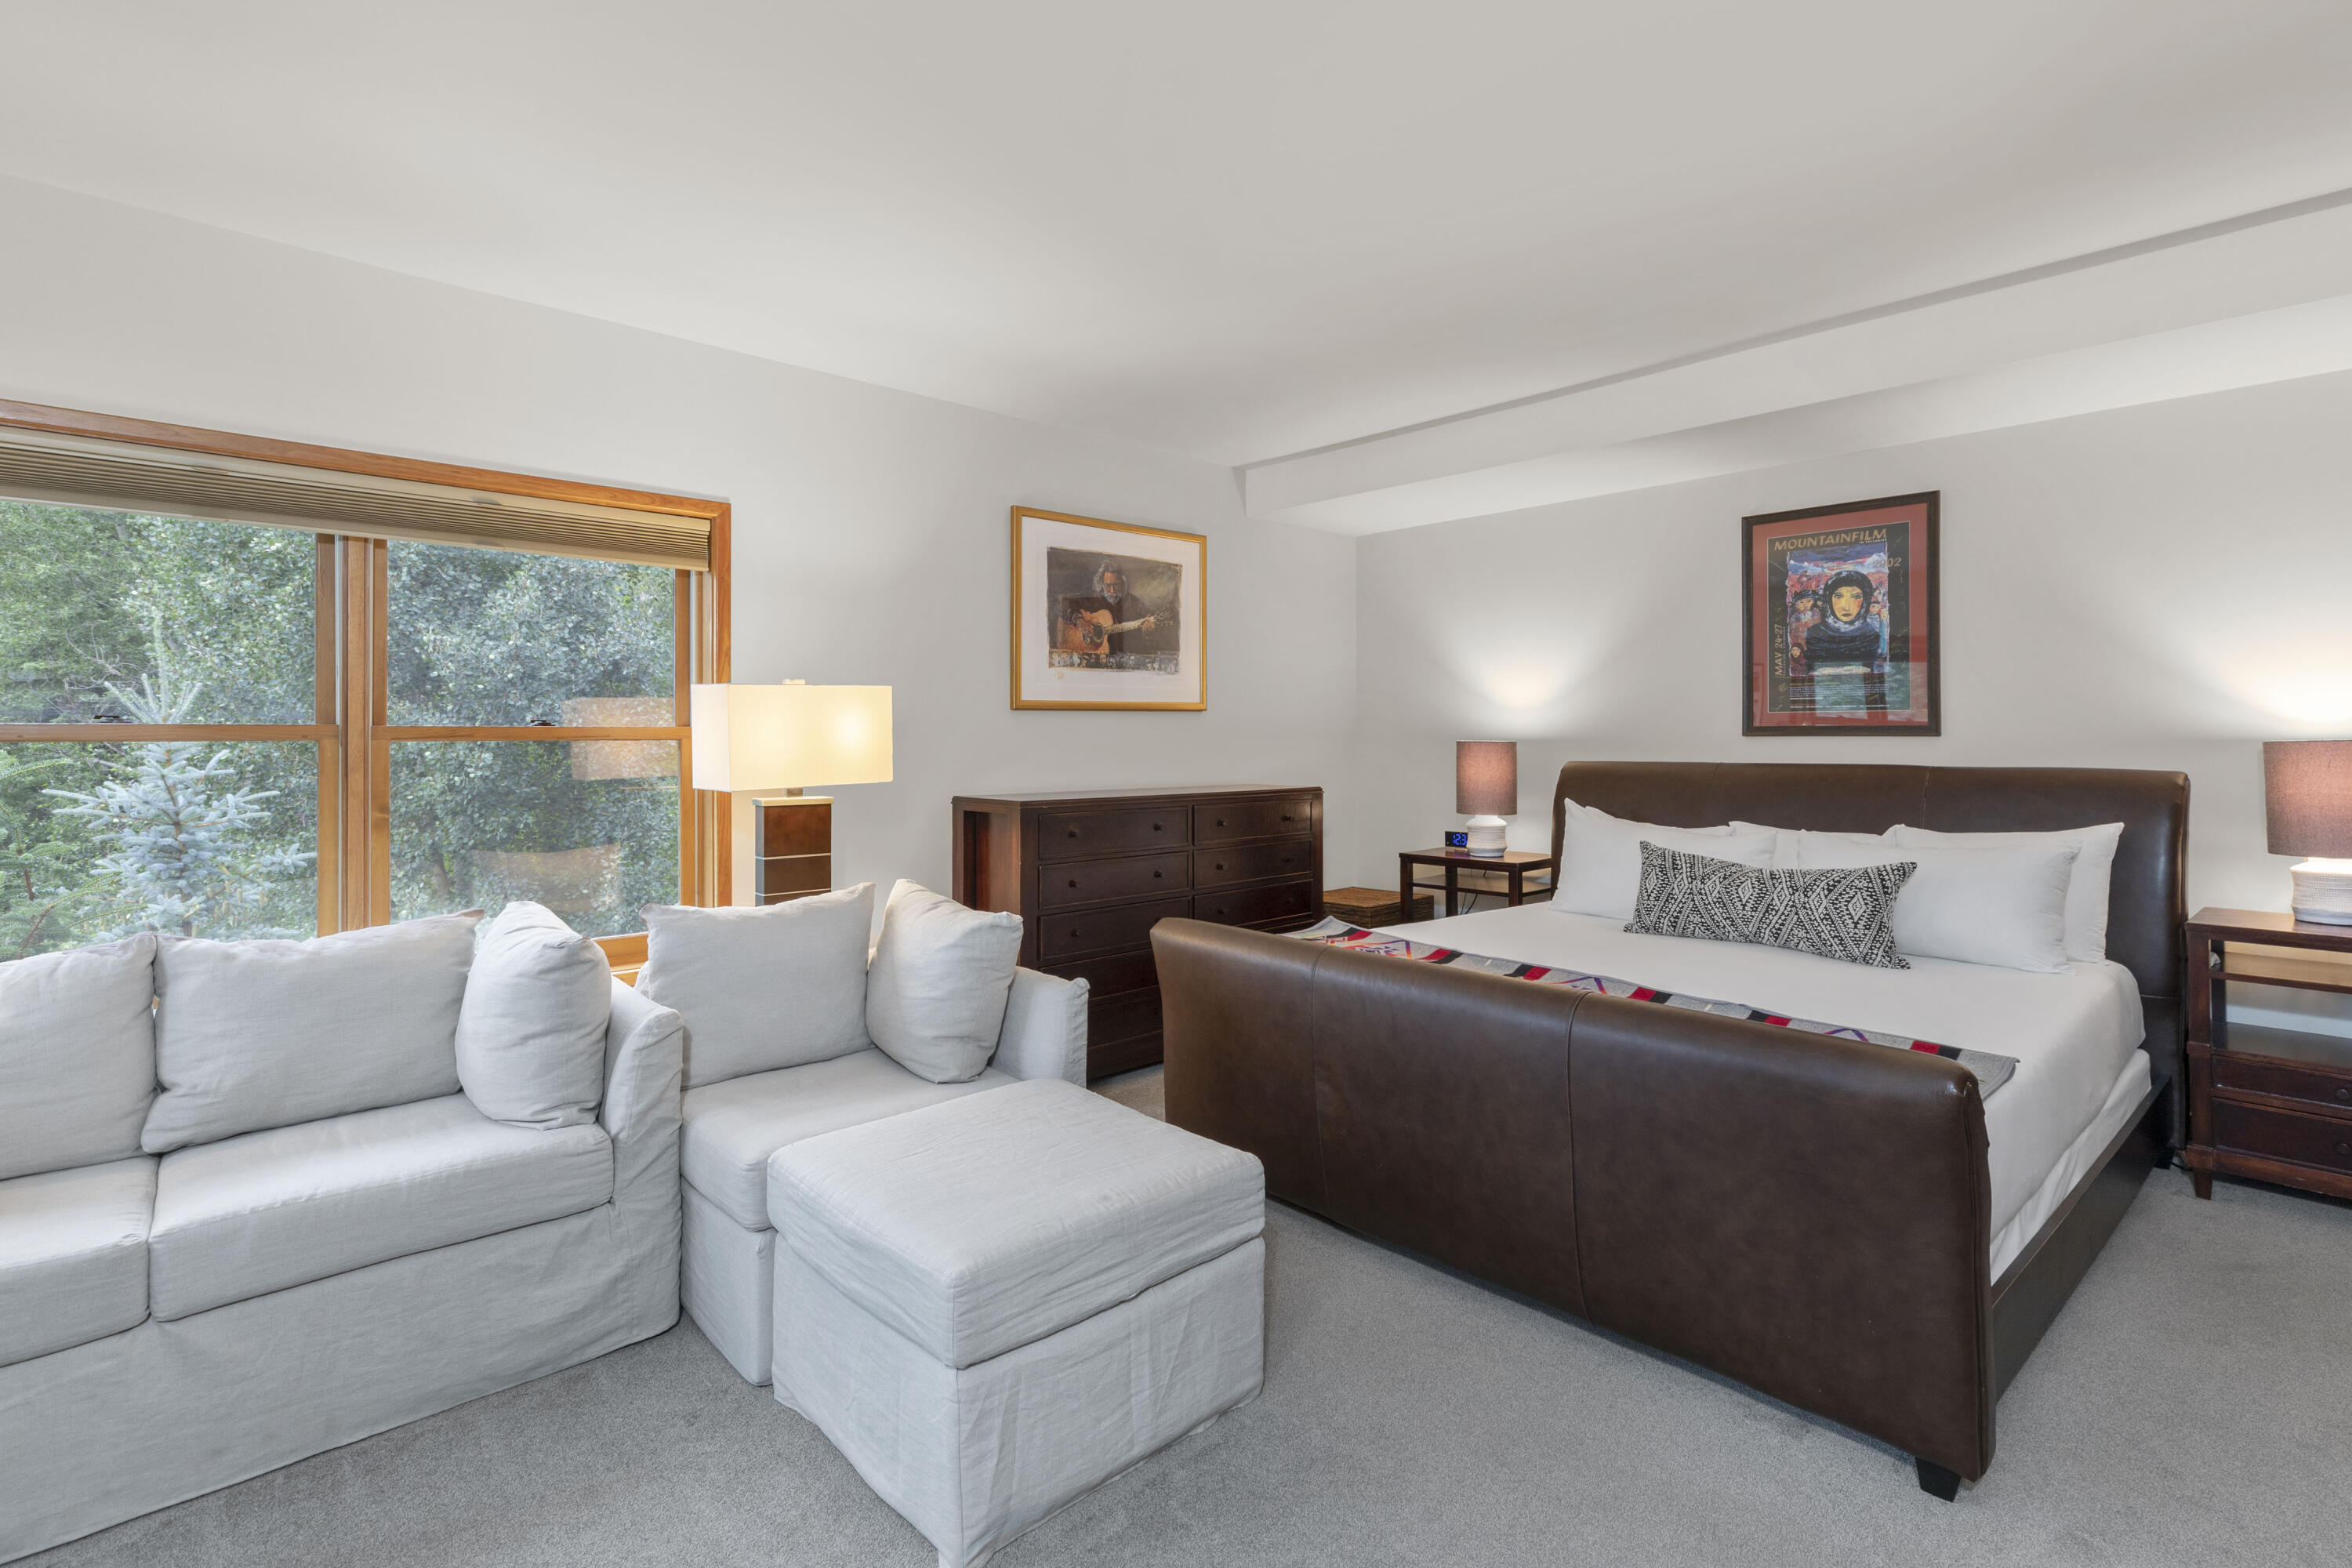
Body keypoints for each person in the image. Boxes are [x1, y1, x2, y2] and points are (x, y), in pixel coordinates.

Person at [1057, 561, 1161, 662]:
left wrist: (1148, 633)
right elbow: (1061, 603)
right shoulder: (1093, 599)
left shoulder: (1135, 604)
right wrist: (1079, 620)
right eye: (1107, 586)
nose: (1112, 591)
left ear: (1123, 584)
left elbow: (1149, 643)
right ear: (1101, 585)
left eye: (1117, 585)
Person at [1802, 569, 1884, 670]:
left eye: (1856, 597)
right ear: (1829, 599)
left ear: (1865, 602)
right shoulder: (1815, 633)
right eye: (1838, 596)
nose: (1846, 606)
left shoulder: (1870, 635)